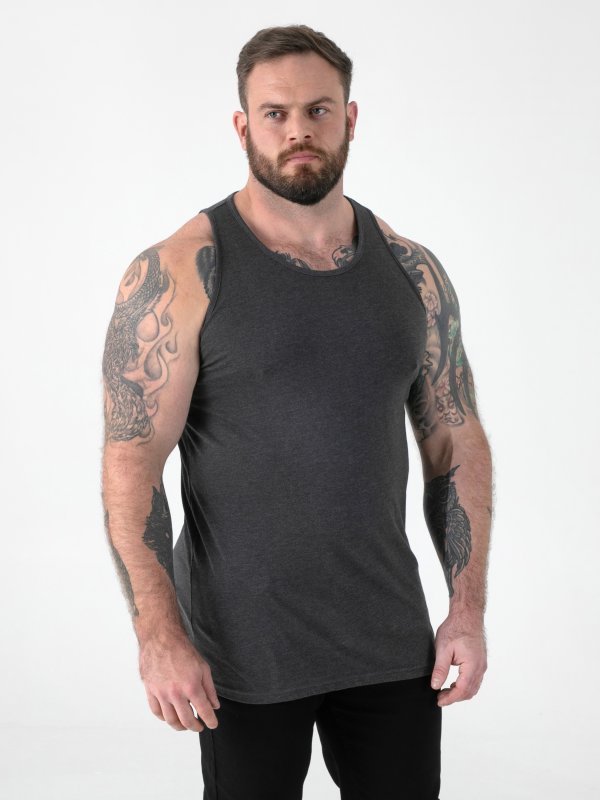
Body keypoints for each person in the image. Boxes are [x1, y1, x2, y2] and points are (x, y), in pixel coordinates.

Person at [101, 23, 492, 800]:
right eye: (275, 114)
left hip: (387, 638)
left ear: (351, 118)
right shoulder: (181, 271)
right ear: (243, 126)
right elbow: (132, 463)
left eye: (318, 110)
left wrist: (467, 610)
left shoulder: (411, 271)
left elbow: (456, 443)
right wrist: (159, 637)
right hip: (243, 650)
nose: (298, 131)